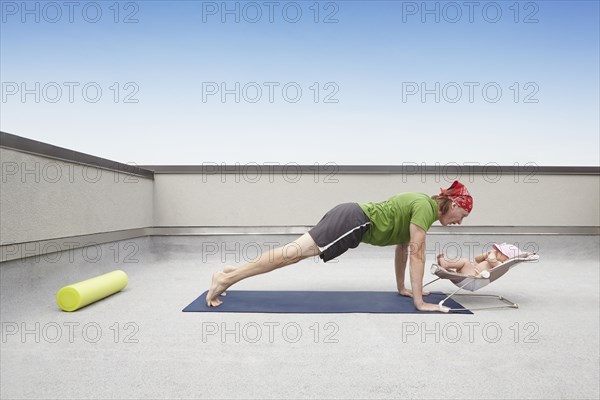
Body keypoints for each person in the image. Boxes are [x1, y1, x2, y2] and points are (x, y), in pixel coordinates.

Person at [206, 180, 473, 312]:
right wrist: (419, 302)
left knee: (292, 254)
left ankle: (232, 271)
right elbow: (417, 254)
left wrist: (402, 288)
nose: (459, 223)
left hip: (350, 216)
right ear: (456, 205)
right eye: (462, 217)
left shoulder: (421, 204)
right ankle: (226, 278)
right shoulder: (425, 208)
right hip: (352, 221)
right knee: (291, 255)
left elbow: (403, 248)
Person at [437, 243, 525, 276]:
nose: (496, 251)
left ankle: (446, 264)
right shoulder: (491, 258)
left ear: (507, 258)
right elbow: (477, 259)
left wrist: (492, 254)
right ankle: (447, 265)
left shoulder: (499, 264)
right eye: (497, 250)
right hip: (470, 271)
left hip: (472, 276)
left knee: (465, 261)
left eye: (499, 252)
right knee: (465, 262)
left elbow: (491, 260)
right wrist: (485, 255)